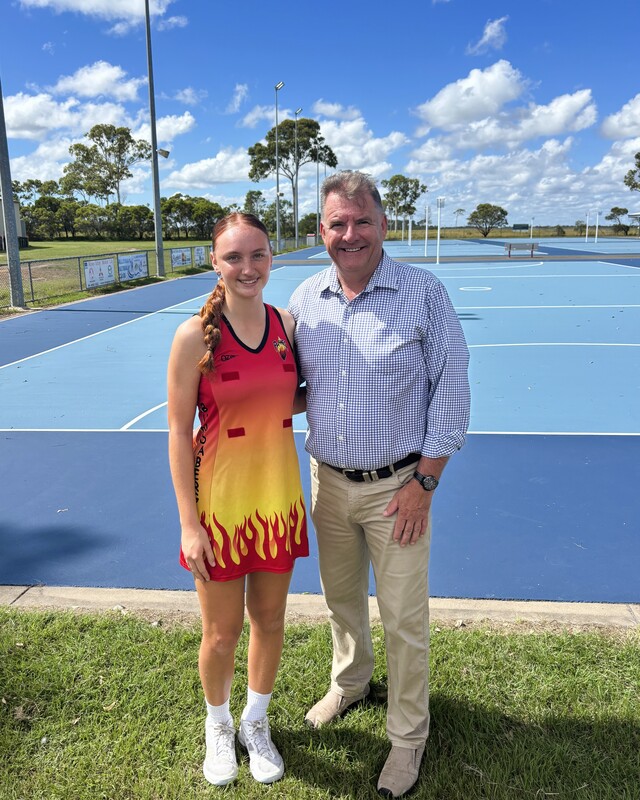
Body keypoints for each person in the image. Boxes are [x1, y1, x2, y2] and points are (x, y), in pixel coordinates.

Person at [288, 171, 470, 798]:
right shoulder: (305, 298)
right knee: (341, 601)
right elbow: (293, 387)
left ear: (383, 225)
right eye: (337, 223)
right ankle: (350, 683)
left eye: (362, 221)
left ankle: (407, 737)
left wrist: (426, 481)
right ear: (322, 231)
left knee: (403, 619)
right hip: (329, 482)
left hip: (400, 488)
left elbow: (451, 388)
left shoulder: (423, 292)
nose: (350, 234)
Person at [167, 212, 308, 787]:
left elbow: (287, 396)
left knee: (270, 620)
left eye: (258, 255)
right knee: (221, 634)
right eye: (234, 257)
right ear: (215, 263)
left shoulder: (286, 325)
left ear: (271, 257)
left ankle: (255, 721)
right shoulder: (194, 336)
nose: (248, 268)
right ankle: (219, 724)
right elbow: (178, 431)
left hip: (277, 499)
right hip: (220, 508)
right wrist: (189, 525)